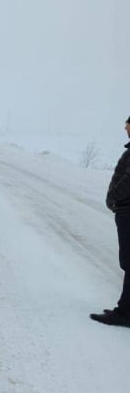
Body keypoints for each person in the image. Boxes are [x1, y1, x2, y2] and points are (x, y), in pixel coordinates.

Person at [91, 116, 130, 327]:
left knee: (129, 262)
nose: (125, 126)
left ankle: (125, 313)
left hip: (127, 211)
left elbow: (128, 181)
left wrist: (113, 197)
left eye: (128, 123)